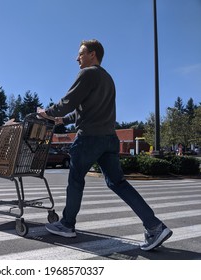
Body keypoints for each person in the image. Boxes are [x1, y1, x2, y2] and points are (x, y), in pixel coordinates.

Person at [38, 39, 172, 251]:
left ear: (92, 54)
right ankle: (154, 226)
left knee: (75, 179)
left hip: (89, 138)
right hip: (108, 138)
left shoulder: (88, 73)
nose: (77, 58)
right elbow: (83, 109)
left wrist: (48, 113)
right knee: (118, 183)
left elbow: (68, 102)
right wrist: (63, 120)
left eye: (80, 53)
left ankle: (67, 224)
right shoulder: (108, 78)